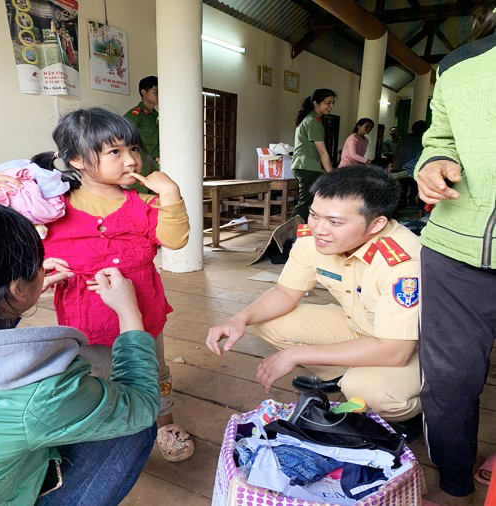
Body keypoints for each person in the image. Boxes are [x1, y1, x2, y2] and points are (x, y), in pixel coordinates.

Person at [31, 107, 194, 462]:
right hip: (86, 321)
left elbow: (176, 239)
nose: (131, 159)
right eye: (115, 152)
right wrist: (39, 266)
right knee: (96, 376)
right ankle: (109, 434)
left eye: (133, 149)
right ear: (76, 159)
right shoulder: (50, 210)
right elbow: (28, 249)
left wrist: (171, 193)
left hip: (142, 314)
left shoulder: (145, 205)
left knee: (154, 371)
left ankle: (164, 424)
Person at [207, 166, 421, 424]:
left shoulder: (402, 262)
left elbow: (395, 351)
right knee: (263, 321)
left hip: (415, 348)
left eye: (334, 222)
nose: (319, 229)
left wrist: (295, 354)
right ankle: (338, 375)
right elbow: (285, 292)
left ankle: (416, 407)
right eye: (314, 215)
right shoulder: (315, 239)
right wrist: (238, 319)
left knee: (368, 391)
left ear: (376, 224)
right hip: (362, 328)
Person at [0, 205, 159, 505]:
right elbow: (141, 404)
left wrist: (13, 302)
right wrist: (129, 311)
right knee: (134, 427)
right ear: (16, 288)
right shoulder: (42, 394)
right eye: (38, 263)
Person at [414, 4, 496, 505]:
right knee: (450, 379)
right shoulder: (458, 65)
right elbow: (438, 138)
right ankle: (454, 479)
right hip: (455, 249)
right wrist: (433, 162)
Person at [289, 88, 335, 222]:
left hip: (304, 165)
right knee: (305, 204)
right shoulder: (313, 121)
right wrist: (331, 173)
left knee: (309, 203)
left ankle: (301, 231)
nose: (331, 106)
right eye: (328, 103)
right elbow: (322, 151)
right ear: (316, 103)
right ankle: (288, 232)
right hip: (307, 166)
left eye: (333, 103)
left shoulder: (311, 119)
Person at [124, 76, 159, 193]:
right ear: (144, 92)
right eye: (155, 92)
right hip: (142, 165)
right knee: (141, 197)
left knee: (157, 198)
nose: (159, 95)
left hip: (156, 164)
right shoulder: (135, 116)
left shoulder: (157, 115)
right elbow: (124, 140)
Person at [393, 120, 427, 209]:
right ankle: (411, 200)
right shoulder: (423, 140)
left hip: (399, 166)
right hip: (414, 168)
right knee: (414, 187)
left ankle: (401, 206)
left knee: (401, 189)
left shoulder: (403, 138)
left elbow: (395, 153)